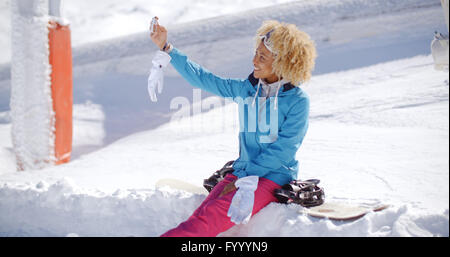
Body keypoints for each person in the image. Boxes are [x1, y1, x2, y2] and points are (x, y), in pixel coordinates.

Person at [149, 17, 317, 237]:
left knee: (205, 223)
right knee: (200, 217)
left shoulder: (297, 101)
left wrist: (244, 177)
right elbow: (204, 79)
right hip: (242, 172)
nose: (254, 60)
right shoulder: (247, 89)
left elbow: (283, 151)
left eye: (262, 56)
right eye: (256, 53)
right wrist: (166, 48)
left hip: (272, 176)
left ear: (282, 62)